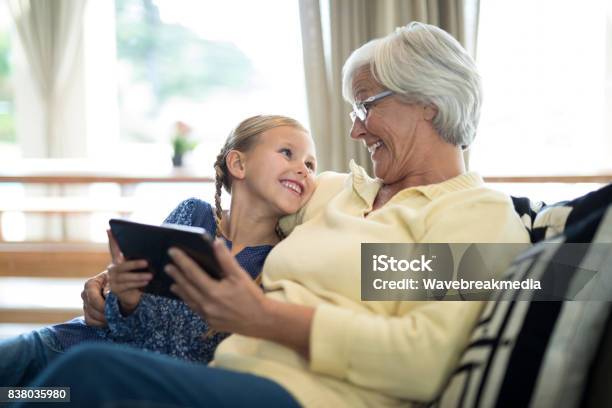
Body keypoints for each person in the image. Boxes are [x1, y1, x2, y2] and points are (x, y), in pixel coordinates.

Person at [21, 22, 531, 408]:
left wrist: (264, 317)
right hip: (230, 373)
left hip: (306, 397)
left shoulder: (471, 214)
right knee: (30, 384)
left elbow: (422, 360)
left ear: (429, 103)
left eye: (365, 106)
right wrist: (120, 280)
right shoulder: (332, 192)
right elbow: (238, 213)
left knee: (90, 374)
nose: (355, 131)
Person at [0, 115, 316, 387]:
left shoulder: (279, 260)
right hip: (69, 344)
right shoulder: (194, 215)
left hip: (120, 378)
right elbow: (122, 320)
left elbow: (196, 356)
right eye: (288, 153)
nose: (303, 168)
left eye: (311, 164)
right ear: (238, 163)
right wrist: (125, 299)